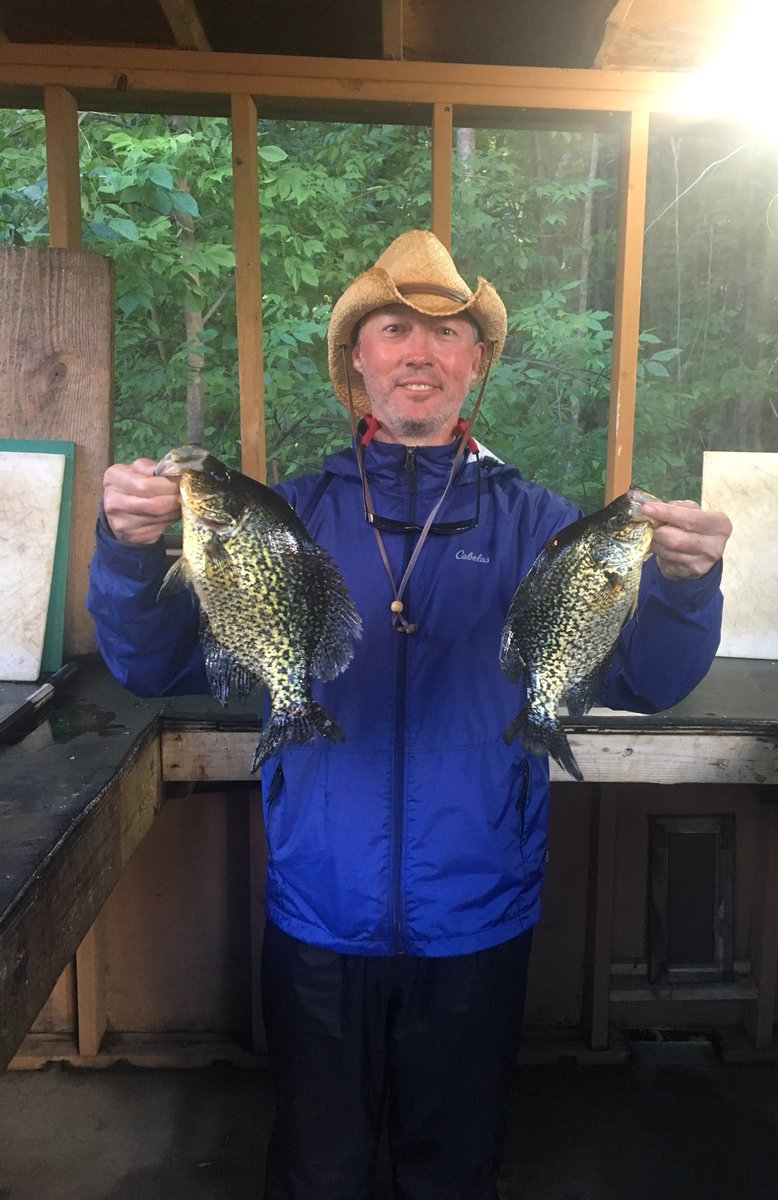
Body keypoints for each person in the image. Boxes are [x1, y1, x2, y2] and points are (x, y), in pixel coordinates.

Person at [88, 230, 732, 1200]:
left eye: (446, 333)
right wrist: (133, 553)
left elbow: (649, 681)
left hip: (479, 911)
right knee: (318, 1167)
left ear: (476, 363)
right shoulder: (275, 518)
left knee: (455, 1168)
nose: (419, 353)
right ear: (359, 357)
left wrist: (686, 583)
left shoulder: (539, 525)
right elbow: (153, 665)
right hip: (318, 910)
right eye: (395, 329)